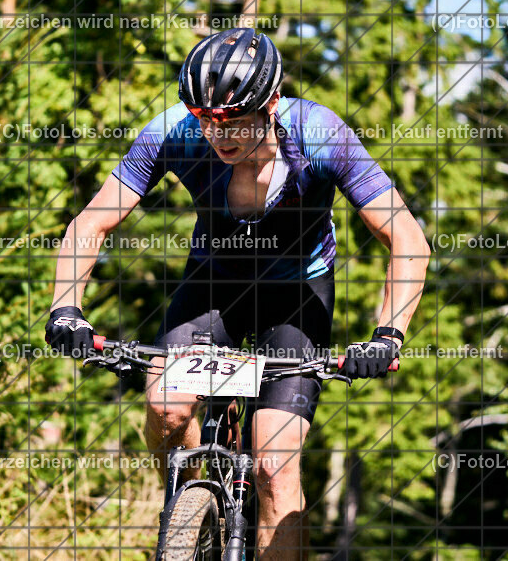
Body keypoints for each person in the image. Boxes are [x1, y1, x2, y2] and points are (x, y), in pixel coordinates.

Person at [46, 28, 430, 560]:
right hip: (213, 285)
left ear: (271, 104)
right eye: (204, 118)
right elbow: (91, 223)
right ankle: (187, 507)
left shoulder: (319, 134)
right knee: (167, 408)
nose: (215, 133)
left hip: (296, 293)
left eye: (231, 120)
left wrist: (387, 336)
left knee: (275, 463)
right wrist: (66, 308)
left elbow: (407, 238)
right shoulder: (173, 134)